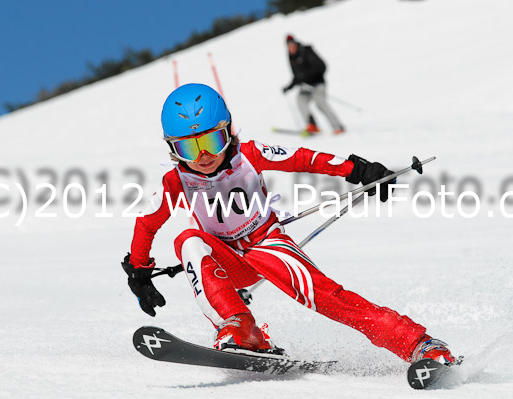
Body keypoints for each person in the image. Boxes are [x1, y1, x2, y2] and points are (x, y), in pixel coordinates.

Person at [121, 83, 457, 365]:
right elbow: (146, 223)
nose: (202, 157)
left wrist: (357, 169)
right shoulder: (175, 181)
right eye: (187, 148)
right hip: (228, 260)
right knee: (188, 241)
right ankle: (241, 329)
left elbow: (302, 158)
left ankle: (419, 344)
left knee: (328, 297)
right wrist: (138, 271)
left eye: (210, 142)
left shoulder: (250, 155)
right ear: (173, 149)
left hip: (268, 245)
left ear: (227, 132)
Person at [282, 34, 345, 135]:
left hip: (317, 83)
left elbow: (322, 66)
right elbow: (297, 76)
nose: (291, 48)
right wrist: (289, 87)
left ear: (295, 44)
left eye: (292, 45)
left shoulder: (306, 51)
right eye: (288, 46)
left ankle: (338, 126)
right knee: (300, 101)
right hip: (305, 86)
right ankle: (312, 125)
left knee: (320, 103)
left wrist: (307, 75)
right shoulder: (292, 57)